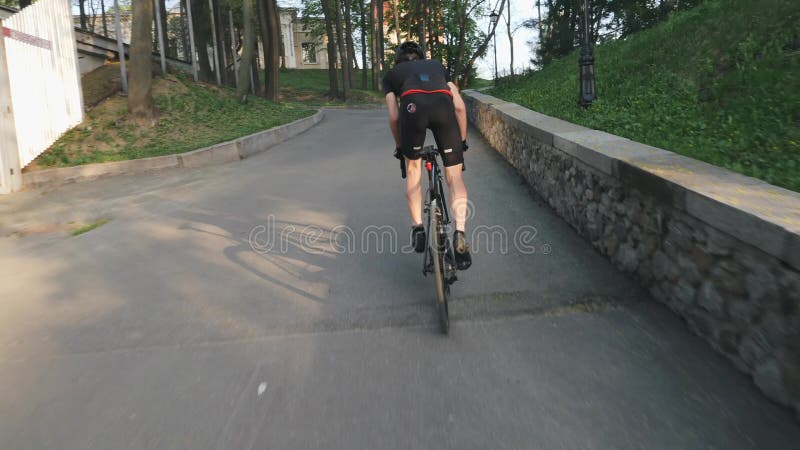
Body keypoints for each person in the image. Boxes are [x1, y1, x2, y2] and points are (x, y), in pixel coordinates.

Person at [382, 41, 471, 270]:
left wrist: (401, 148)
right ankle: (460, 234)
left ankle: (418, 228)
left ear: (398, 61)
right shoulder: (437, 66)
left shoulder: (392, 74)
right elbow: (459, 107)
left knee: (414, 169)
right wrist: (461, 143)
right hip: (443, 106)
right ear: (421, 58)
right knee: (455, 177)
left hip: (412, 109)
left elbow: (393, 117)